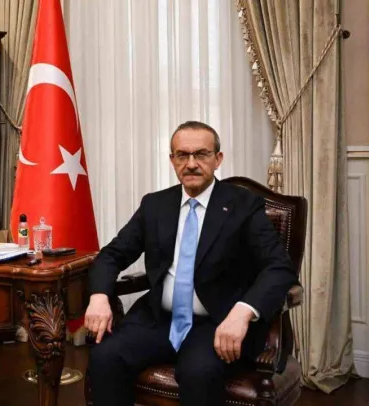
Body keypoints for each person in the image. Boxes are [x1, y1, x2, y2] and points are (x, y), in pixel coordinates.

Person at [84, 121, 297, 405]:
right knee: (105, 357)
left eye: (201, 154)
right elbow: (112, 254)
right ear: (172, 160)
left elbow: (279, 267)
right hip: (159, 319)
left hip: (218, 321)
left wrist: (242, 312)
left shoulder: (244, 205)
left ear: (218, 159)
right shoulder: (155, 205)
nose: (192, 164)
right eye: (182, 155)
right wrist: (99, 297)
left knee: (199, 372)